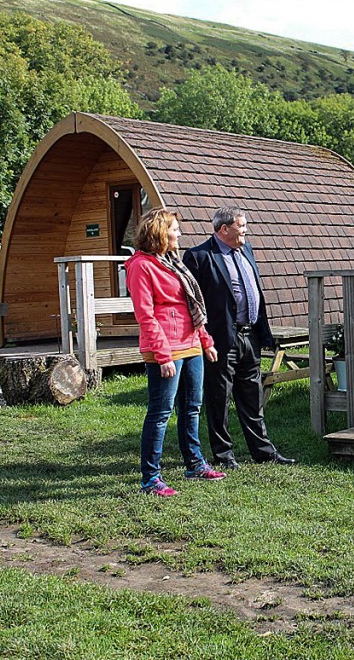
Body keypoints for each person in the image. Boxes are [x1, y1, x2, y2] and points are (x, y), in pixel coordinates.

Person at [182, 205, 295, 467]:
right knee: (219, 398)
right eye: (241, 226)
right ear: (224, 229)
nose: (245, 231)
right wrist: (204, 339)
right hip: (221, 340)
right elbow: (192, 304)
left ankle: (263, 452)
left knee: (252, 396)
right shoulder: (199, 257)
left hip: (249, 335)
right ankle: (223, 456)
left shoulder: (246, 249)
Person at [125, 209, 226, 496]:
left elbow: (190, 305)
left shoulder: (171, 262)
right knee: (160, 412)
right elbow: (146, 314)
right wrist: (162, 354)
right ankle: (151, 478)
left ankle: (195, 464)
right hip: (165, 348)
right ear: (160, 232)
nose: (179, 234)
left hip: (190, 343)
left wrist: (205, 340)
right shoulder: (141, 266)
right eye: (175, 229)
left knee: (192, 407)